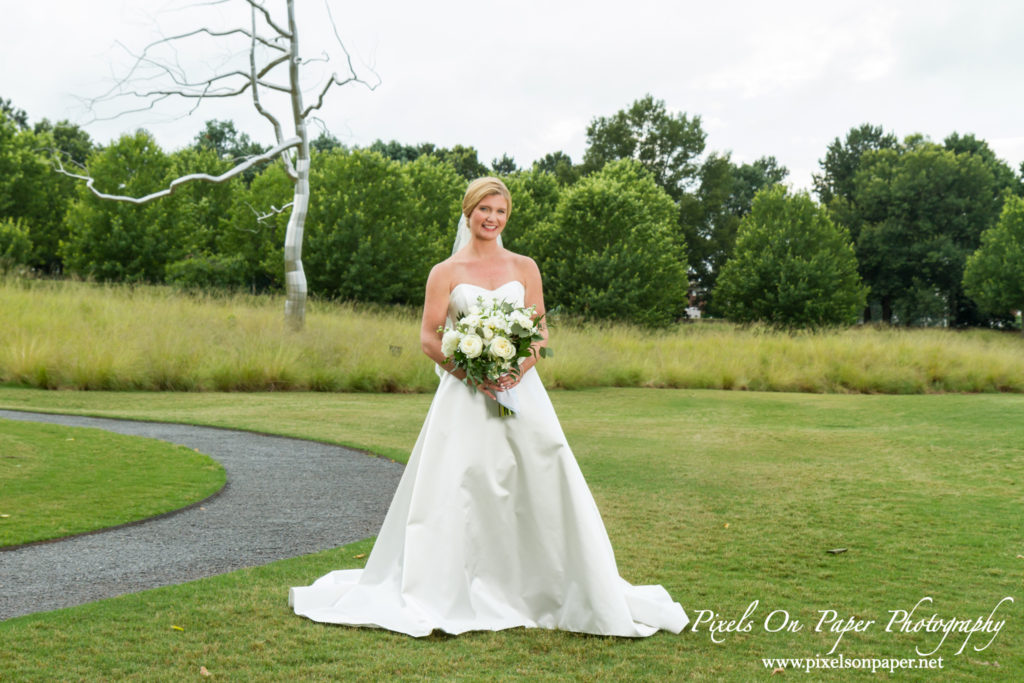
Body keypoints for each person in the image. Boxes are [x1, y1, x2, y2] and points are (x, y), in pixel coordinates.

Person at [290, 177, 689, 637]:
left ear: (507, 216)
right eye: (484, 210)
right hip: (465, 396)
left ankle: (546, 587)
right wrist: (474, 374)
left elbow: (538, 335)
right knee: (461, 484)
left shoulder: (525, 267)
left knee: (540, 477)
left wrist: (514, 373)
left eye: (500, 211)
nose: (492, 218)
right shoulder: (445, 271)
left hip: (521, 393)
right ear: (469, 212)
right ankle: (449, 588)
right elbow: (428, 338)